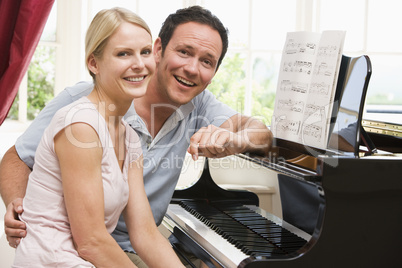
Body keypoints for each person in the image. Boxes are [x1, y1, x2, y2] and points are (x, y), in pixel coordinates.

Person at [1, 5, 272, 267]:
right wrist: (21, 205)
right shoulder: (79, 114)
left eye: (206, 61)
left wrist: (233, 140)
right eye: (184, 52)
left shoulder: (142, 131)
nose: (191, 68)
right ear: (160, 50)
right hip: (70, 251)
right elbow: (90, 241)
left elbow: (145, 234)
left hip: (119, 248)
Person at [10, 7, 185, 268]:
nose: (139, 63)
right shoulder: (80, 125)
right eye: (123, 53)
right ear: (94, 63)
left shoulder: (128, 138)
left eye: (145, 52)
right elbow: (91, 241)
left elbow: (145, 234)